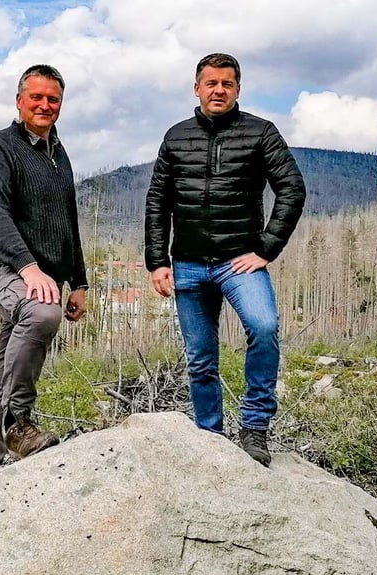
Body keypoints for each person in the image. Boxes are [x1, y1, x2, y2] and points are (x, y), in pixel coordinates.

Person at [144, 53, 306, 467]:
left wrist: (266, 248)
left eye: (227, 84)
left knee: (264, 327)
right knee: (200, 359)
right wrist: (156, 260)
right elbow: (158, 201)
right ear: (196, 88)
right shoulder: (176, 137)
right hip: (188, 264)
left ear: (238, 89)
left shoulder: (260, 133)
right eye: (211, 83)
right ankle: (210, 436)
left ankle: (254, 428)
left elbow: (292, 189)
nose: (219, 90)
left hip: (239, 261)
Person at [0, 64, 88, 474]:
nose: (45, 105)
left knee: (5, 366)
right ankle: (16, 421)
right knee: (41, 312)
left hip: (45, 275)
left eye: (53, 98)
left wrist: (79, 281)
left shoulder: (59, 154)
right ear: (19, 101)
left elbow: (68, 221)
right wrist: (28, 268)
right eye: (36, 97)